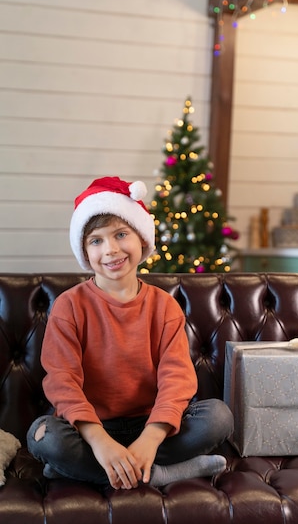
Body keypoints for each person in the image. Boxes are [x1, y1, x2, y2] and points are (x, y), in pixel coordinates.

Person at [27, 176, 234, 489]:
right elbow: (62, 381)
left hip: (151, 426)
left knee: (219, 417)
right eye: (96, 240)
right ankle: (160, 473)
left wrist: (151, 438)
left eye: (121, 234)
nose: (110, 250)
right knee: (44, 437)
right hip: (89, 429)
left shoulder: (164, 307)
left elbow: (177, 379)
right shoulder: (69, 306)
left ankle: (88, 470)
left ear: (142, 239)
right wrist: (99, 440)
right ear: (84, 250)